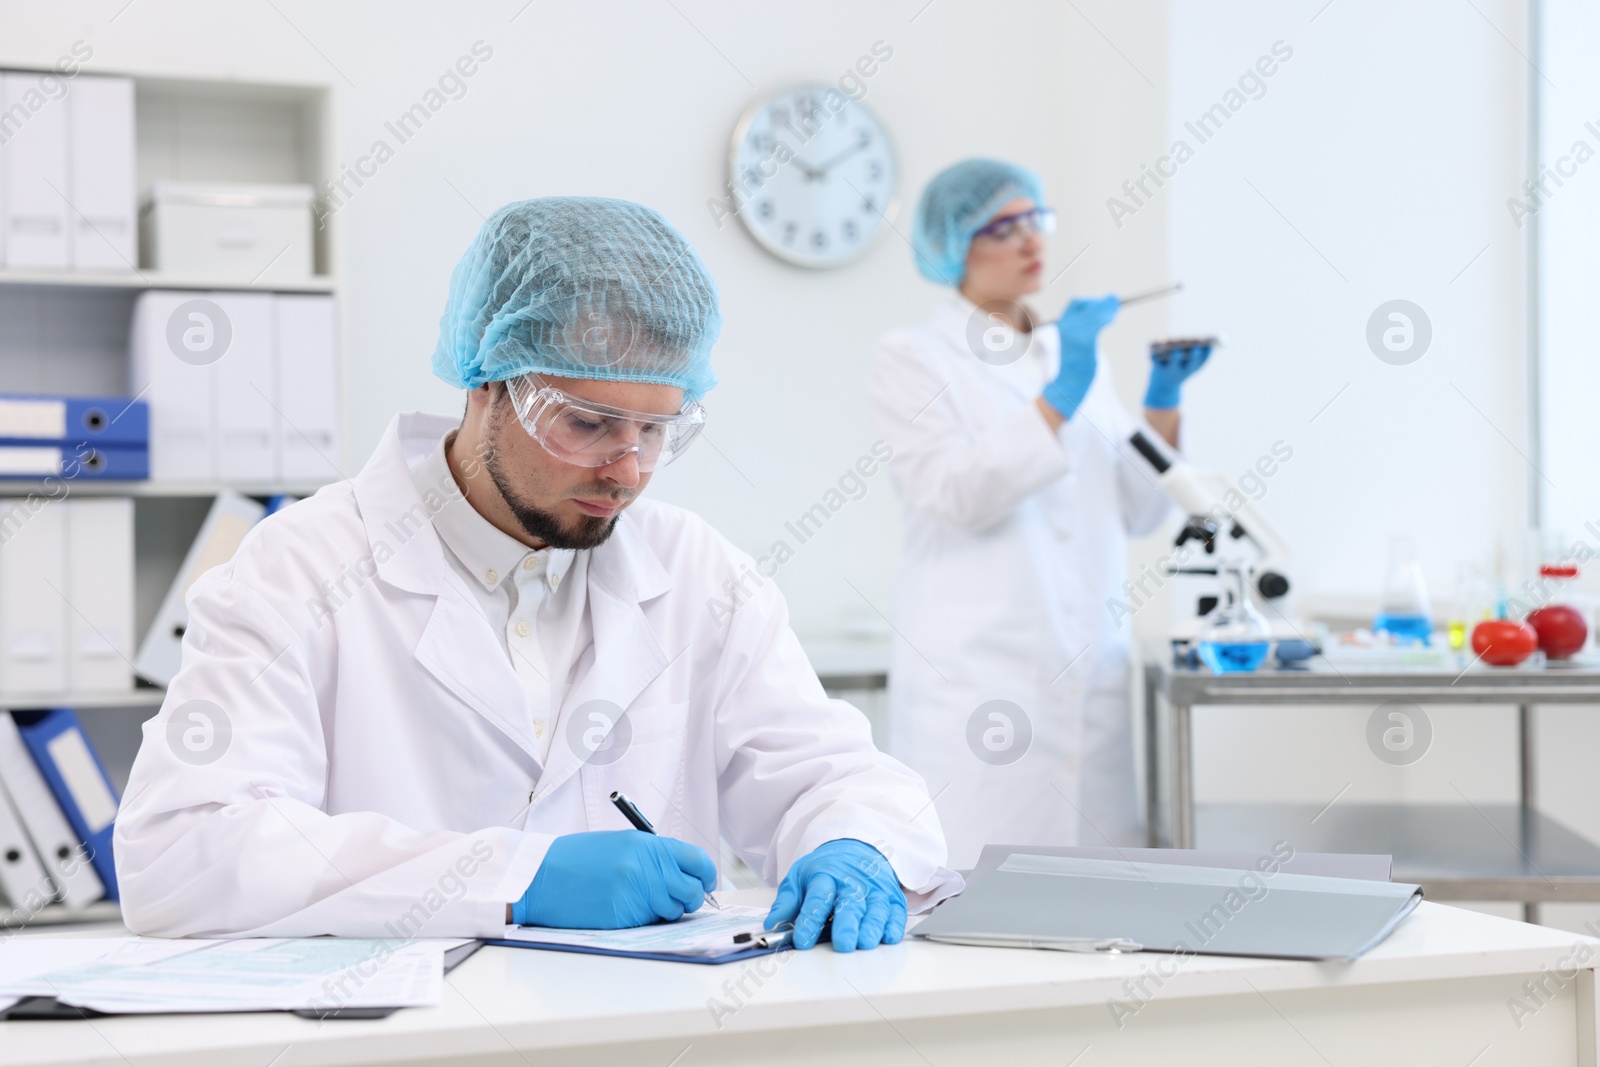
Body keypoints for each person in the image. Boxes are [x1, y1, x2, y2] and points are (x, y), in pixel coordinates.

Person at [115, 197, 959, 952]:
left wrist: (860, 842)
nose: (627, 471)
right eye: (588, 423)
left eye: (658, 431)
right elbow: (184, 847)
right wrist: (515, 877)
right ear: (485, 381)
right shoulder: (303, 564)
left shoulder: (696, 571)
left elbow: (828, 771)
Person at [869, 159, 1212, 868]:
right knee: (976, 897)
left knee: (1098, 897)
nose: (1030, 240)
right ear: (953, 246)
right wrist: (1061, 395)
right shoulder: (915, 356)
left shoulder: (1068, 353)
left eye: (1037, 220)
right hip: (980, 681)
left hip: (1089, 672)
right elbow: (954, 492)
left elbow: (1138, 508)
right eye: (1003, 226)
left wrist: (1163, 402)